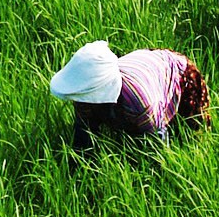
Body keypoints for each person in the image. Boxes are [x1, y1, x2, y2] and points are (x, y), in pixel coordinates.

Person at [49, 41, 209, 151]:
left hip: (178, 71)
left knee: (190, 129)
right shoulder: (83, 92)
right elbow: (83, 135)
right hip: (144, 64)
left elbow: (156, 143)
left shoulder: (138, 102)